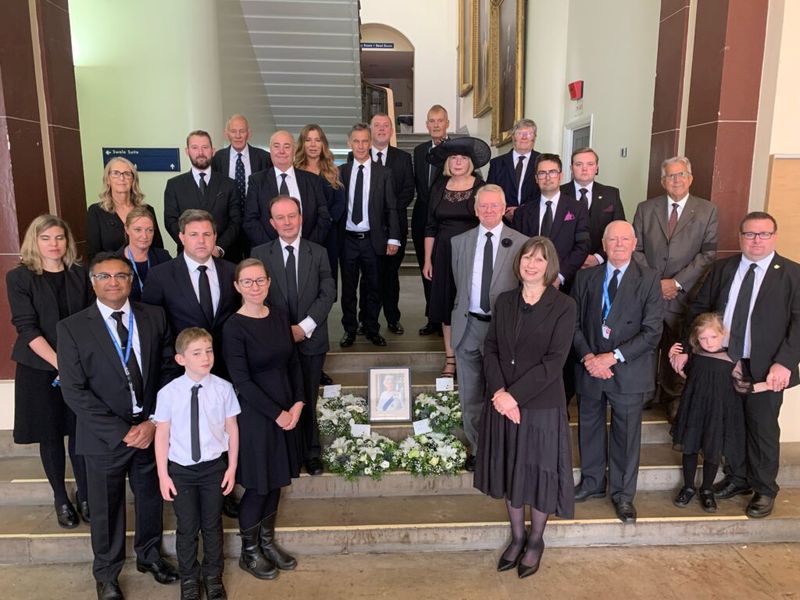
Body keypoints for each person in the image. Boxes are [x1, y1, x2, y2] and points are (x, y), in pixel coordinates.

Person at [57, 252, 179, 600]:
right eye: (105, 276)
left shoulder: (154, 316)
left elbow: (170, 371)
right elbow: (73, 390)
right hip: (104, 439)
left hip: (149, 429)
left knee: (151, 499)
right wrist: (121, 431)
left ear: (131, 280)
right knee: (106, 508)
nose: (114, 282)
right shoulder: (73, 327)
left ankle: (150, 557)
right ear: (93, 282)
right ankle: (107, 573)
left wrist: (154, 421)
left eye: (121, 276)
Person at [674, 211, 800, 519]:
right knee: (730, 425)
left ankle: (764, 488)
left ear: (774, 236)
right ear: (740, 237)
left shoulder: (792, 274)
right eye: (750, 234)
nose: (756, 240)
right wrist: (687, 348)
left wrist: (784, 363)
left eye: (763, 234)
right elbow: (699, 309)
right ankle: (739, 478)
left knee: (762, 428)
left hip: (766, 367)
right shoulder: (723, 269)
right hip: (721, 364)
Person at [474, 236, 576, 579]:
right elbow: (490, 350)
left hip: (541, 406)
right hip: (503, 402)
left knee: (539, 474)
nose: (531, 264)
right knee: (511, 471)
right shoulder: (504, 302)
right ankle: (517, 538)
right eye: (526, 258)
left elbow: (554, 362)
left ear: (550, 267)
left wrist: (513, 396)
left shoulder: (564, 306)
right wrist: (500, 392)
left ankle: (535, 541)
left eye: (539, 260)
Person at [571, 220, 663, 524]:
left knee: (626, 435)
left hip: (628, 370)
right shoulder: (586, 278)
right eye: (613, 239)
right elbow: (573, 324)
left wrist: (611, 358)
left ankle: (624, 495)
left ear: (635, 243)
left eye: (625, 239)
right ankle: (592, 483)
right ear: (604, 242)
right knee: (590, 427)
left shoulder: (649, 279)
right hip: (590, 368)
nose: (619, 244)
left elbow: (652, 332)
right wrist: (588, 357)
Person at [7, 215, 91, 529]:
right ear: (35, 242)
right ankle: (60, 497)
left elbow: (89, 321)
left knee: (80, 432)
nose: (54, 244)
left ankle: (85, 494)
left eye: (59, 237)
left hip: (77, 365)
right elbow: (26, 328)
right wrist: (61, 364)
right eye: (46, 238)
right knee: (51, 434)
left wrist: (75, 365)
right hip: (39, 367)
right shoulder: (19, 278)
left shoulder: (79, 274)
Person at [222, 258, 303, 580]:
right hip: (257, 415)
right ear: (237, 287)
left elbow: (294, 364)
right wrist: (277, 414)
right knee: (258, 486)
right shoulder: (233, 327)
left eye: (260, 281)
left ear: (268, 282)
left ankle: (266, 542)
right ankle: (249, 551)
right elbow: (241, 381)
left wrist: (297, 404)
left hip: (286, 408)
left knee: (275, 484)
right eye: (248, 282)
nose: (255, 287)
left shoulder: (280, 316)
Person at [251, 196, 336, 477]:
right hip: (274, 343)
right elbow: (256, 296)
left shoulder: (319, 252)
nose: (287, 222)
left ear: (300, 218)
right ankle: (286, 454)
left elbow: (328, 294)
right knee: (280, 399)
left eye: (292, 216)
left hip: (311, 339)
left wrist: (303, 327)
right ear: (272, 223)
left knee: (308, 398)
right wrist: (281, 331)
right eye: (280, 217)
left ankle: (311, 453)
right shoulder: (260, 254)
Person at [154, 327, 240, 600]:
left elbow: (233, 429)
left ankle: (213, 576)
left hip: (213, 468)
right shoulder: (168, 393)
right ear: (181, 359)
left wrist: (232, 467)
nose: (205, 357)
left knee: (213, 525)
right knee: (187, 526)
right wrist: (163, 475)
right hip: (181, 471)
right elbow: (162, 434)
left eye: (209, 351)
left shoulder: (224, 389)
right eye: (197, 353)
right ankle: (189, 579)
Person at [632, 156, 718, 420]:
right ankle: (645, 393)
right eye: (670, 176)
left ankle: (672, 396)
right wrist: (655, 283)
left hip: (685, 293)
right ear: (662, 181)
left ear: (690, 178)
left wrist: (676, 282)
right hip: (650, 290)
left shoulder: (707, 210)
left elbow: (708, 253)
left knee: (678, 343)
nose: (676, 180)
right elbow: (635, 248)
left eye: (681, 175)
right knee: (646, 343)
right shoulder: (646, 208)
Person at [450, 184, 528, 470]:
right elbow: (456, 286)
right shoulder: (459, 242)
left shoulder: (522, 242)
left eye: (495, 206)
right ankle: (479, 449)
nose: (489, 211)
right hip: (468, 326)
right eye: (483, 206)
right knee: (470, 395)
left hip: (502, 331)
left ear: (504, 207)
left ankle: (504, 449)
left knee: (502, 392)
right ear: (475, 209)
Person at [143, 210, 239, 380]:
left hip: (228, 368)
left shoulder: (232, 271)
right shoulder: (160, 276)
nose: (201, 241)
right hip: (181, 370)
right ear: (182, 237)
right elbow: (153, 328)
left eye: (207, 234)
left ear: (215, 236)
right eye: (194, 234)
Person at [423, 137, 490, 377]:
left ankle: (471, 356)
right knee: (446, 306)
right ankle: (450, 359)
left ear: (470, 162)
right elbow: (430, 225)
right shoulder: (439, 186)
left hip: (473, 254)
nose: (458, 162)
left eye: (462, 158)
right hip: (442, 253)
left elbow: (488, 223)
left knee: (471, 304)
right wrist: (428, 259)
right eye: (453, 158)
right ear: (448, 162)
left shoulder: (481, 186)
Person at [667, 313, 746, 514]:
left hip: (717, 413)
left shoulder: (732, 359)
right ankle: (688, 487)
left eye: (713, 337)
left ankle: (707, 489)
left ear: (723, 334)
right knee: (690, 448)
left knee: (712, 451)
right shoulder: (694, 355)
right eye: (703, 338)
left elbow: (740, 385)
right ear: (696, 338)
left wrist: (764, 386)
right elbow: (687, 375)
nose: (708, 343)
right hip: (694, 408)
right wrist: (672, 357)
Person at [338, 123, 401, 348]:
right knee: (348, 289)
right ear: (349, 143)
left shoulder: (383, 173)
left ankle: (372, 328)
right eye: (356, 141)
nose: (361, 145)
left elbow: (391, 207)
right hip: (348, 240)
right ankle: (349, 329)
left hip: (373, 240)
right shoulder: (340, 172)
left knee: (374, 287)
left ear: (371, 142)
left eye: (365, 141)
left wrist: (393, 238)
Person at [511, 153, 590, 291]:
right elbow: (517, 248)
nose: (547, 177)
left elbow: (582, 246)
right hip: (529, 283)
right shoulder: (522, 213)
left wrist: (559, 276)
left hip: (565, 285)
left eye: (552, 172)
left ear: (561, 175)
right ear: (536, 178)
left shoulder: (578, 209)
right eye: (542, 173)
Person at [366, 113, 415, 334]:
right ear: (370, 130)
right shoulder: (358, 156)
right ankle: (367, 320)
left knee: (390, 275)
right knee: (368, 277)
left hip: (395, 228)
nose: (382, 129)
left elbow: (408, 191)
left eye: (386, 125)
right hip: (367, 229)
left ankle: (393, 318)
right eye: (377, 125)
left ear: (391, 130)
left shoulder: (403, 158)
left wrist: (388, 212)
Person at [244, 130, 331, 247]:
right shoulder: (256, 181)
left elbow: (323, 218)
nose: (281, 151)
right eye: (276, 146)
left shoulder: (313, 181)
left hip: (308, 253)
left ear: (294, 150)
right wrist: (273, 249)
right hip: (269, 255)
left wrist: (307, 247)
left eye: (287, 146)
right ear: (270, 150)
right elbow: (250, 221)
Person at [163, 130, 241, 259]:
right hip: (187, 256)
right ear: (187, 151)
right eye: (195, 148)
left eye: (205, 147)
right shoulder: (174, 185)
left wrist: (219, 248)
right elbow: (170, 221)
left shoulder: (229, 185)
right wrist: (191, 245)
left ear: (213, 151)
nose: (200, 153)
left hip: (223, 257)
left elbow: (236, 221)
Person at [211, 114, 272, 261]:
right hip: (228, 228)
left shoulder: (264, 158)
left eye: (242, 131)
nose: (238, 135)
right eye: (233, 131)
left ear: (249, 133)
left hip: (256, 225)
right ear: (227, 134)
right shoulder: (217, 159)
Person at [294, 124, 347, 291]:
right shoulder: (294, 171)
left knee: (325, 283)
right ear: (302, 144)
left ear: (323, 143)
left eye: (317, 140)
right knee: (303, 283)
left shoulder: (333, 171)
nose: (313, 144)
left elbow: (340, 204)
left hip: (328, 236)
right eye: (308, 140)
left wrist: (325, 224)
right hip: (301, 234)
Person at [413, 105, 450, 336]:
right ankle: (432, 318)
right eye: (431, 121)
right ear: (427, 125)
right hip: (421, 216)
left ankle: (445, 315)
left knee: (444, 269)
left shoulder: (457, 150)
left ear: (447, 123)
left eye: (440, 120)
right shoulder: (419, 151)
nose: (436, 125)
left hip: (446, 218)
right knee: (425, 268)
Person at [559, 147, 625, 269]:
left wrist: (598, 258)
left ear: (597, 168)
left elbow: (619, 231)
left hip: (600, 267)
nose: (584, 169)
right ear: (571, 168)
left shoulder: (611, 194)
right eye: (579, 164)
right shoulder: (559, 193)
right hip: (564, 266)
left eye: (590, 164)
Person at [87, 157, 164, 259]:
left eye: (127, 174)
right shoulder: (96, 211)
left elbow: (158, 248)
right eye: (116, 173)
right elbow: (93, 254)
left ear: (133, 180)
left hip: (146, 270)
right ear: (108, 179)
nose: (122, 178)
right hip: (111, 271)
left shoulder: (147, 210)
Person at [486, 118, 541, 218]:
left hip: (532, 220)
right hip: (503, 219)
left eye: (529, 133)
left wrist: (521, 210)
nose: (524, 137)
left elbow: (545, 191)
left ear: (535, 137)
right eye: (520, 133)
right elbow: (490, 192)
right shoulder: (496, 163)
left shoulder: (542, 162)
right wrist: (505, 211)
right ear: (513, 137)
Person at [120, 207, 171, 302]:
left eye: (149, 230)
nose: (144, 236)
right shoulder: (115, 261)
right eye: (138, 230)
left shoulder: (163, 257)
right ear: (127, 229)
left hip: (160, 314)